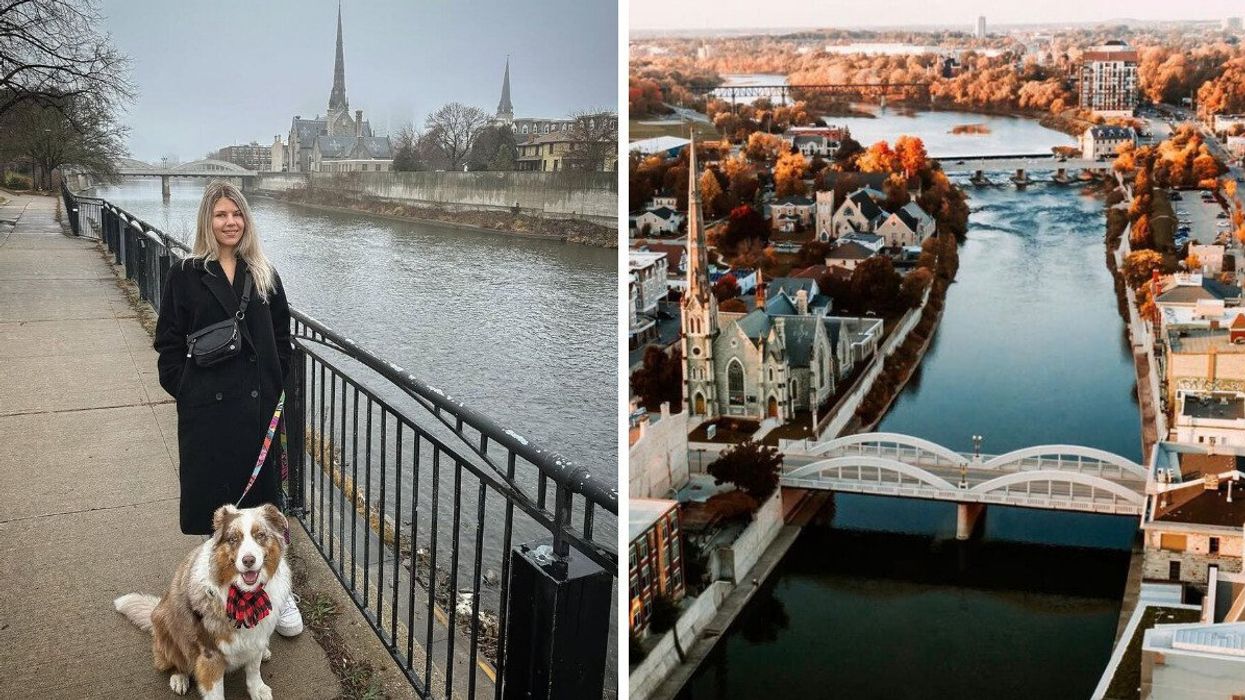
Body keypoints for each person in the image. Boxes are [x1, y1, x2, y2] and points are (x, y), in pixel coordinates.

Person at [153, 180, 303, 636]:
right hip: (208, 418)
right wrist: (190, 392)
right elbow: (169, 344)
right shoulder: (185, 275)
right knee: (221, 517)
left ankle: (276, 593)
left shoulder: (265, 275)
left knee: (263, 513)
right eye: (221, 215)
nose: (230, 223)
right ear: (208, 220)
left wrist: (273, 387)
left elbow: (281, 339)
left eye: (236, 215)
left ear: (246, 220)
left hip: (256, 418)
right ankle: (220, 593)